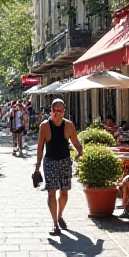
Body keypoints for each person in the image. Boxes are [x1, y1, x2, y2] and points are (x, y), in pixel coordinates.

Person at [35, 98, 83, 236]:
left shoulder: (68, 125)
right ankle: (55, 223)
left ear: (64, 112)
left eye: (60, 111)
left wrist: (80, 152)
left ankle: (60, 215)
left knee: (64, 192)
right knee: (51, 191)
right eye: (54, 110)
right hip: (50, 161)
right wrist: (37, 167)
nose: (57, 113)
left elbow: (75, 142)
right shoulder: (44, 126)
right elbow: (40, 147)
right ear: (51, 111)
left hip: (64, 161)